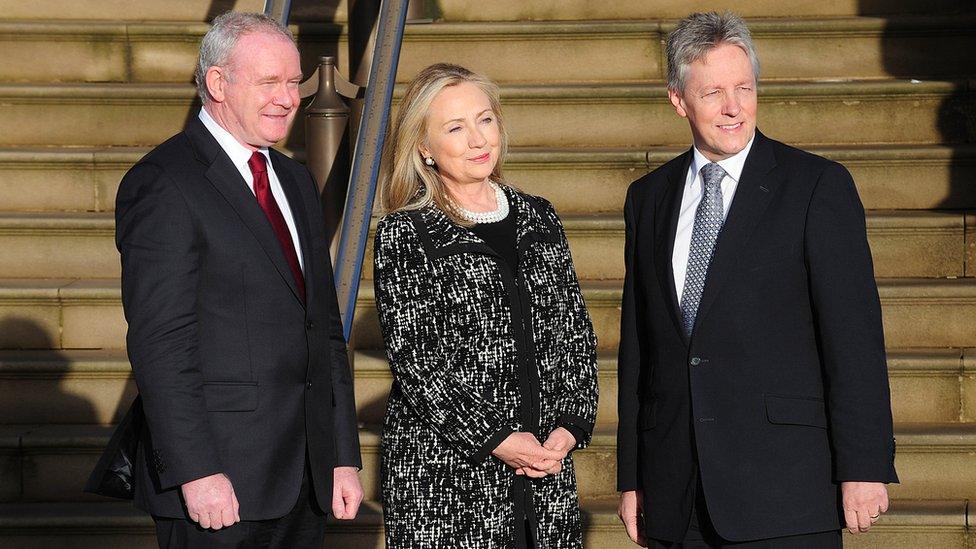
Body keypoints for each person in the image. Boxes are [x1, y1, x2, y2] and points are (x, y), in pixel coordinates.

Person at [615, 12, 898, 548]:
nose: (733, 107)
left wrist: (863, 465)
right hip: (678, 492)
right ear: (678, 99)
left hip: (787, 491)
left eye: (744, 88)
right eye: (714, 92)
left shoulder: (816, 186)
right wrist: (633, 477)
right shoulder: (647, 198)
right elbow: (640, 349)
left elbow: (854, 337)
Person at [101, 11, 363, 547]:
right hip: (218, 483)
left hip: (304, 478)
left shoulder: (293, 179)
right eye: (270, 82)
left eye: (294, 83)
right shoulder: (163, 183)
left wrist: (340, 454)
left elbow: (324, 330)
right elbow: (161, 344)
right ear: (217, 83)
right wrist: (196, 471)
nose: (289, 98)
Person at [372, 63, 599, 549]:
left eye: (485, 120)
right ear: (423, 148)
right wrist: (498, 439)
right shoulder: (406, 234)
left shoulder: (539, 217)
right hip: (446, 482)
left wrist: (570, 426)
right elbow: (419, 365)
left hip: (544, 473)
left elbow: (574, 333)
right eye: (455, 127)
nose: (478, 139)